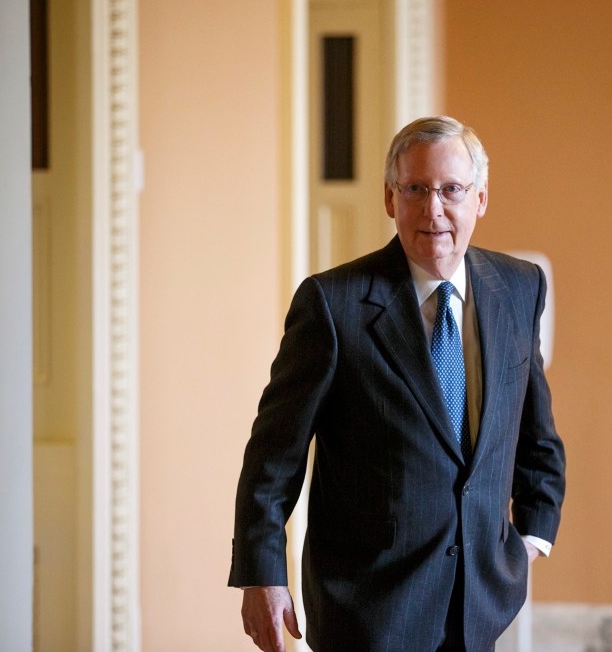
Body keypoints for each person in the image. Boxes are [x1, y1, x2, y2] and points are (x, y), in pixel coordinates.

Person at [229, 115, 566, 652]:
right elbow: (274, 455)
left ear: (480, 198)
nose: (434, 209)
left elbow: (536, 435)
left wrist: (528, 542)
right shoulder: (333, 304)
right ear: (390, 199)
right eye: (415, 189)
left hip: (478, 606)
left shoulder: (519, 289)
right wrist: (262, 574)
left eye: (452, 190)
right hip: (366, 611)